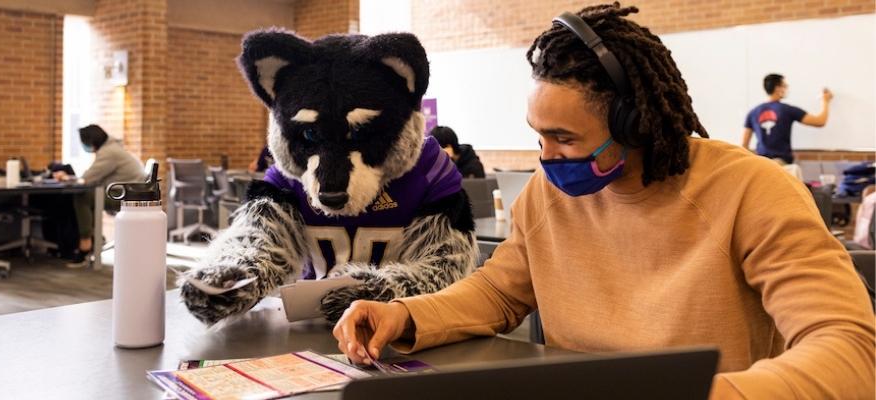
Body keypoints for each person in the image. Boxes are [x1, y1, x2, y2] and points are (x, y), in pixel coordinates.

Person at [332, 3, 875, 399]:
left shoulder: (752, 191)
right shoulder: (548, 195)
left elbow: (848, 346)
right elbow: (499, 292)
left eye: (565, 139)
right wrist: (404, 315)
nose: (545, 158)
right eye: (537, 135)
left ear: (635, 124)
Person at [54, 124, 144, 264]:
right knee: (90, 195)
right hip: (127, 193)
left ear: (91, 141)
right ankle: (94, 239)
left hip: (125, 197)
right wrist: (71, 178)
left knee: (83, 197)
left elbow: (87, 178)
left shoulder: (109, 152)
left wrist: (66, 178)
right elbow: (92, 178)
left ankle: (86, 244)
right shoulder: (113, 148)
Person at [742, 73, 833, 164]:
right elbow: (820, 121)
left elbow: (744, 146)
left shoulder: (753, 113)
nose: (786, 89)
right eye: (785, 86)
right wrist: (825, 101)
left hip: (762, 164)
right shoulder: (787, 110)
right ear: (778, 88)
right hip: (781, 163)